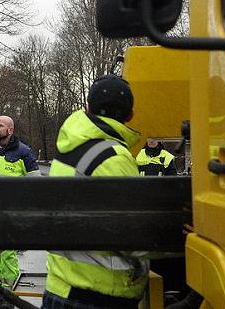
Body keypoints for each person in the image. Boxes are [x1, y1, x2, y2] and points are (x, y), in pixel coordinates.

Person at [42, 75, 147, 309]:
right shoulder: (114, 157)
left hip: (61, 287)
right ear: (130, 115)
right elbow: (133, 234)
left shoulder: (70, 145)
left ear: (88, 108)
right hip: (95, 296)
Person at [0, 115, 40, 307]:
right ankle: (1, 290)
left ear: (10, 130)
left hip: (11, 213)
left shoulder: (24, 152)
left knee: (7, 254)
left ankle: (10, 296)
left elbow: (36, 184)